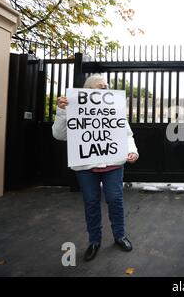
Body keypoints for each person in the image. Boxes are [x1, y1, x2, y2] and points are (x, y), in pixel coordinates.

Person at [52, 75, 139, 262]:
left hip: (113, 165)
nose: (106, 89)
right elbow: (59, 135)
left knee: (115, 200)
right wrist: (61, 111)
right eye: (101, 86)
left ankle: (119, 236)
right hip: (86, 167)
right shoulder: (72, 108)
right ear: (88, 90)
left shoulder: (115, 108)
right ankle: (94, 241)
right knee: (91, 202)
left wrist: (132, 152)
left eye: (107, 86)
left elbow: (127, 134)